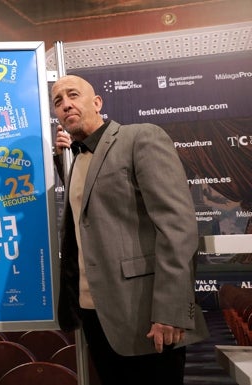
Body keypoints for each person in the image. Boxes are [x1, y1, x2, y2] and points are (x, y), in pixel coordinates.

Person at [51, 75, 209, 385]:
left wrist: (172, 311)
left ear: (97, 103)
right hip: (94, 314)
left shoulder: (140, 137)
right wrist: (62, 162)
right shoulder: (75, 160)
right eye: (58, 101)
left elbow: (177, 227)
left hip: (146, 315)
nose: (66, 103)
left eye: (73, 95)